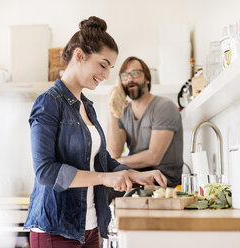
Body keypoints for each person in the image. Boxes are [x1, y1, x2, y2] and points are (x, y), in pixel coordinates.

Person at [23, 17, 167, 247]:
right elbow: (45, 171)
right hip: (56, 230)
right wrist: (105, 179)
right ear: (79, 56)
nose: (106, 75)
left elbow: (102, 160)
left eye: (109, 68)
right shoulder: (49, 103)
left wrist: (135, 175)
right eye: (102, 64)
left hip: (90, 228)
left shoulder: (87, 106)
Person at [107, 56, 183, 191]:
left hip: (164, 182)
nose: (130, 79)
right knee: (102, 188)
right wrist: (113, 109)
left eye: (135, 73)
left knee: (105, 190)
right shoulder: (124, 112)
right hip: (137, 177)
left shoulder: (164, 107)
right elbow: (114, 152)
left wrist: (113, 164)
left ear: (147, 78)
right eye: (124, 76)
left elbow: (153, 157)